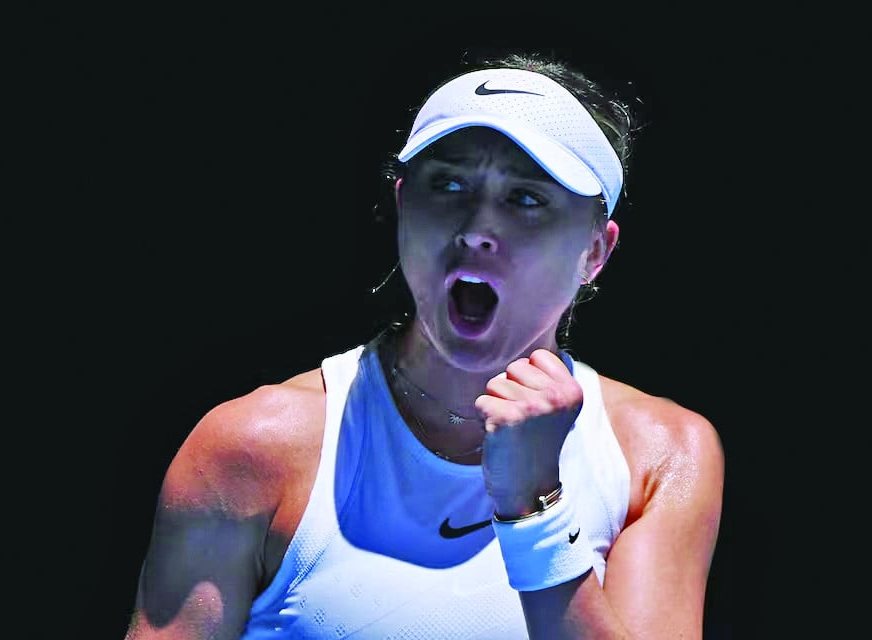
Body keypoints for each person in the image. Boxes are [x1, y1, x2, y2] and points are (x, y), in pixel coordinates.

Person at [123, 51, 725, 640]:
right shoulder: (253, 445)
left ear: (596, 251)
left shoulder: (660, 456)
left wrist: (534, 506)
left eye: (526, 198)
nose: (476, 230)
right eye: (450, 184)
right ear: (402, 201)